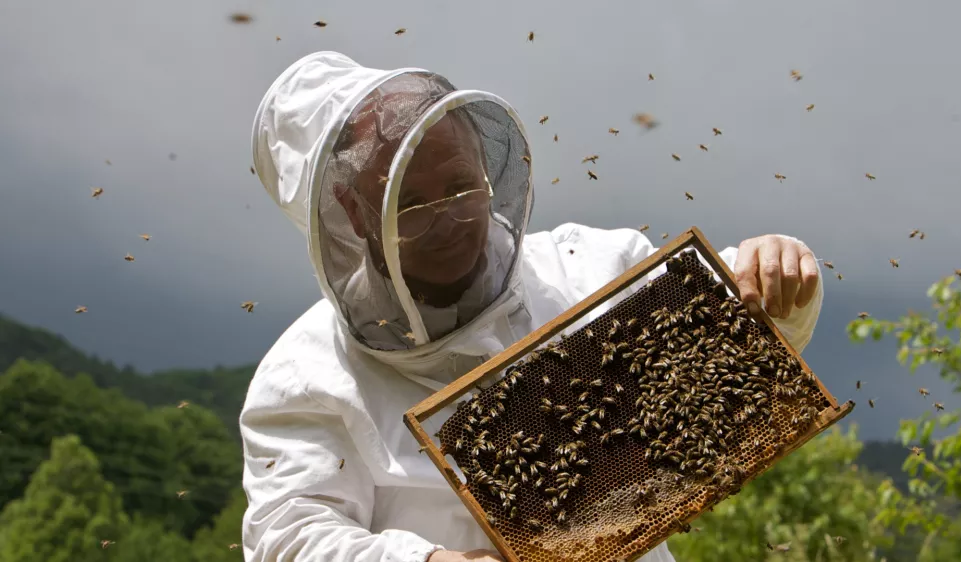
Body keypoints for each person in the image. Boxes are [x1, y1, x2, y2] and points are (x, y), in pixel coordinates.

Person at [242, 51, 824, 562]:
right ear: (351, 208)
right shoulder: (305, 375)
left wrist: (777, 273)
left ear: (486, 166)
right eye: (411, 203)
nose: (448, 219)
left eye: (462, 187)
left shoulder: (592, 268)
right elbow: (286, 537)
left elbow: (731, 328)